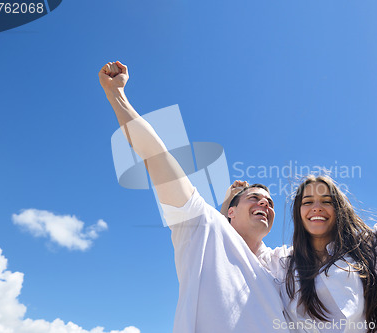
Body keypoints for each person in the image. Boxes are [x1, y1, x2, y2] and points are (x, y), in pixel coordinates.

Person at [98, 61, 290, 333]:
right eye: (254, 198)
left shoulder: (279, 266)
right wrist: (116, 94)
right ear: (231, 212)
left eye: (270, 203)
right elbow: (156, 155)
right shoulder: (203, 227)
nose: (265, 204)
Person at [227, 122, 377, 333]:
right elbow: (228, 244)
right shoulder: (282, 264)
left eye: (326, 201)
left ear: (340, 209)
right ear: (298, 213)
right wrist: (230, 204)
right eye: (307, 202)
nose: (316, 208)